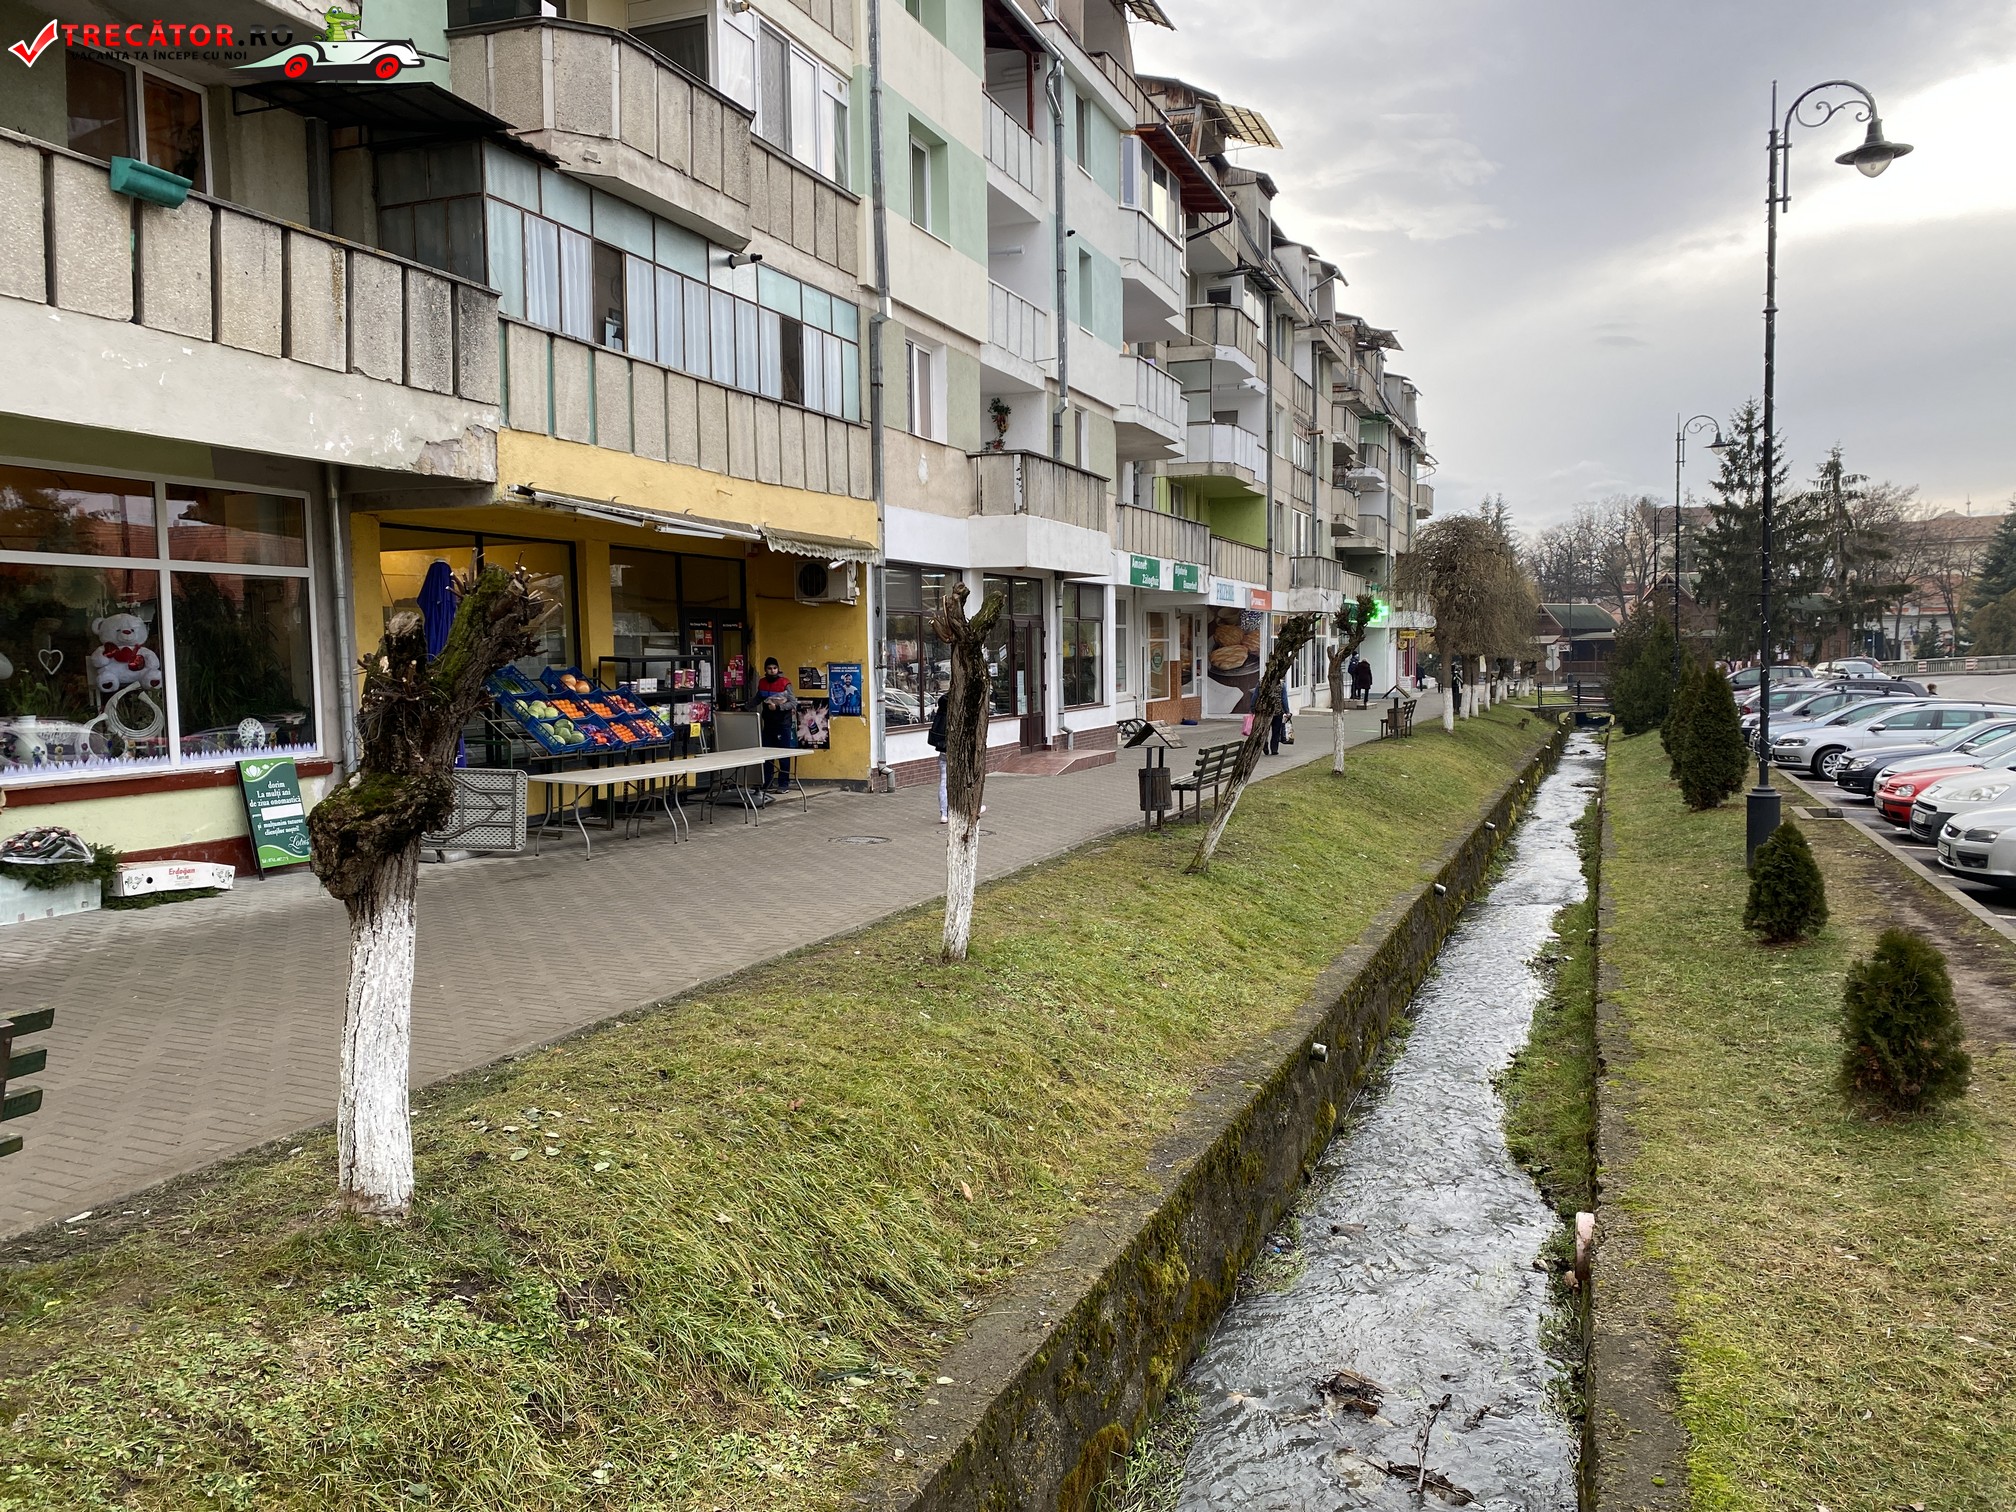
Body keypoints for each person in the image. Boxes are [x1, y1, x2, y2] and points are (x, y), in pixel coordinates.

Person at [927, 695, 983, 824]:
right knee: (967, 779)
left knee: (944, 781)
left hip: (943, 750)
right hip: (959, 752)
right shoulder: (959, 712)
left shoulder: (942, 709)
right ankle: (970, 807)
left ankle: (944, 813)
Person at [753, 658, 797, 792]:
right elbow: (757, 699)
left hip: (782, 723)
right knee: (767, 754)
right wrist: (744, 707)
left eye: (774, 668)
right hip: (768, 723)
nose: (772, 671)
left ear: (778, 669)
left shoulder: (785, 683)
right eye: (769, 668)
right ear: (765, 669)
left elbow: (793, 703)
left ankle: (784, 784)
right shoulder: (762, 683)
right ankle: (767, 782)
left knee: (783, 754)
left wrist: (778, 708)